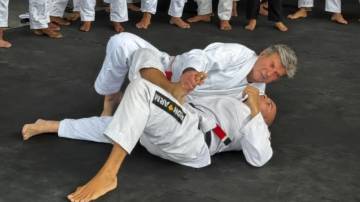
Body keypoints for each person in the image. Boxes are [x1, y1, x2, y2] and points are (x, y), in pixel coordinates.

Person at [22, 50, 277, 201]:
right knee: (142, 64)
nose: (266, 98)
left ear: (267, 120)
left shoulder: (258, 128)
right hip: (181, 119)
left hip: (193, 140)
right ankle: (53, 126)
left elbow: (260, 157)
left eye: (270, 104)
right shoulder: (234, 99)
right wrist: (187, 85)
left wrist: (255, 109)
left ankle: (109, 174)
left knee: (142, 91)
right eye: (267, 98)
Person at [94, 32, 297, 116]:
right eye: (271, 65)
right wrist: (191, 72)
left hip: (184, 105)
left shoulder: (256, 92)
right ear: (263, 53)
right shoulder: (240, 54)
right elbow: (202, 57)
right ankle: (111, 96)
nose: (269, 73)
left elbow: (244, 117)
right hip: (168, 70)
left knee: (142, 110)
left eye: (276, 74)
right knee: (121, 42)